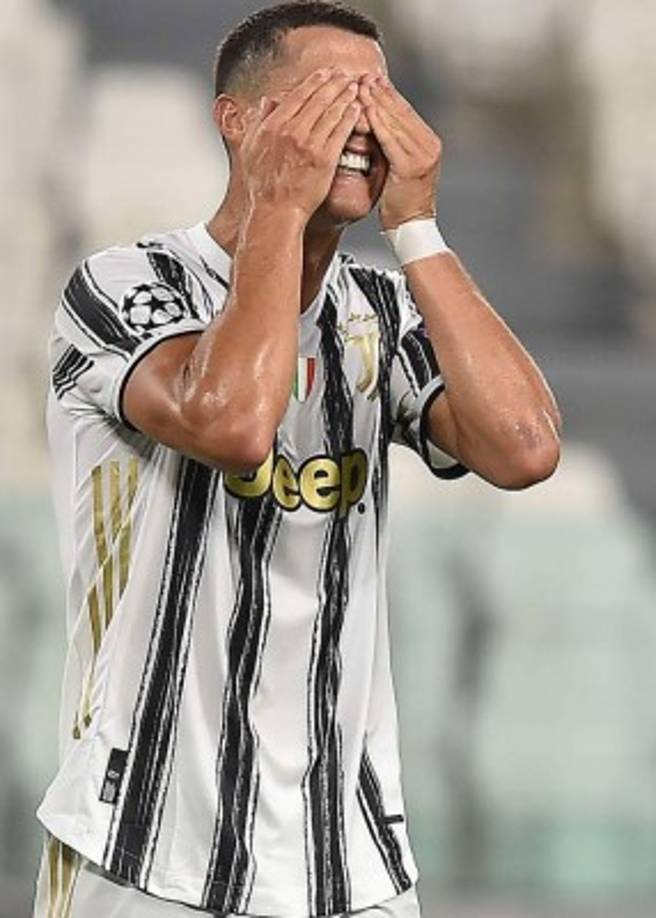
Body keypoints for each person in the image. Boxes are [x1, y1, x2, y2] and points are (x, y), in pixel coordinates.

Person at [34, 2, 561, 916]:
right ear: (238, 122)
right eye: (327, 97)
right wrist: (280, 203)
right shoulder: (124, 286)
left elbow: (524, 449)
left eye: (379, 97)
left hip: (348, 865)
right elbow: (234, 421)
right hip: (144, 852)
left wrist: (420, 231)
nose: (361, 123)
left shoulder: (383, 314)